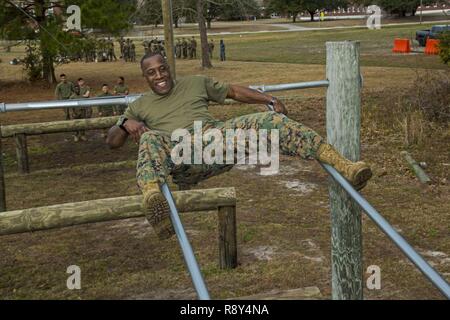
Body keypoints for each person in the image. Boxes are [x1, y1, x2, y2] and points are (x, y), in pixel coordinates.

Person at [106, 53, 372, 240]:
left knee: (268, 121)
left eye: (162, 68)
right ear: (145, 76)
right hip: (181, 157)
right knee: (151, 139)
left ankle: (344, 165)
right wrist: (123, 122)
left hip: (215, 142)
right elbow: (113, 143)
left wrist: (269, 100)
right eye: (151, 72)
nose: (159, 75)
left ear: (168, 67)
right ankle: (153, 200)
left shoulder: (196, 83)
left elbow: (233, 91)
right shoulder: (139, 105)